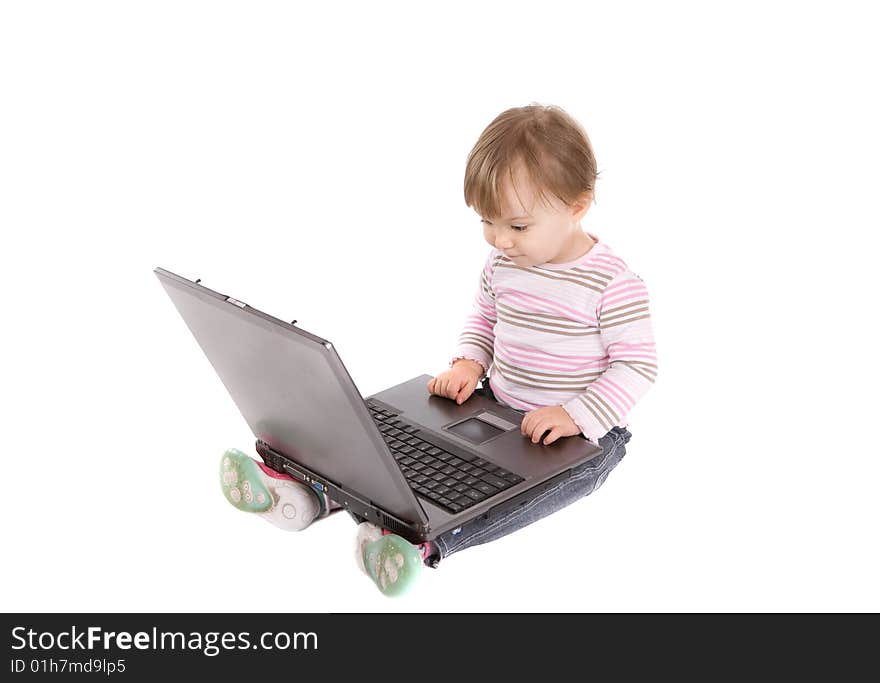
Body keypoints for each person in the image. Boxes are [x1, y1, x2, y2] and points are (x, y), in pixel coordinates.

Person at [220, 103, 657, 597]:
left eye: (517, 226)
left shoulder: (611, 284)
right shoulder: (503, 263)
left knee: (517, 496)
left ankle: (417, 546)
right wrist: (470, 361)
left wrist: (577, 415)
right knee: (388, 438)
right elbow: (486, 319)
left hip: (584, 437)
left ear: (578, 206)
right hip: (497, 402)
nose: (499, 239)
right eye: (487, 222)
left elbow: (637, 365)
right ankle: (306, 491)